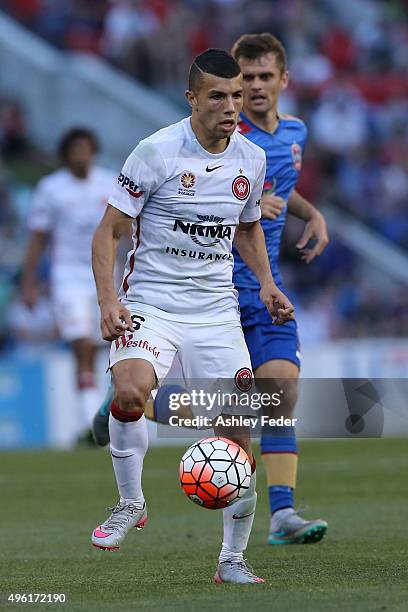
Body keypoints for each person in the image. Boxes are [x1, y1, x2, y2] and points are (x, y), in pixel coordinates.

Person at [90, 48, 294, 584]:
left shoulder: (251, 159)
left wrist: (269, 284)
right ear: (192, 99)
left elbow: (248, 227)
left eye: (235, 96)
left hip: (215, 313)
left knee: (236, 435)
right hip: (153, 304)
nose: (232, 105)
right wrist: (109, 300)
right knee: (131, 393)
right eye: (218, 96)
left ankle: (231, 560)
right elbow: (109, 230)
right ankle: (130, 503)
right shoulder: (155, 152)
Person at [231, 32, 329, 544]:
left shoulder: (295, 132)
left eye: (265, 76)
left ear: (283, 79)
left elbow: (280, 186)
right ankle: (129, 397)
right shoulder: (223, 138)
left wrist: (309, 211)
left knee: (280, 390)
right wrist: (246, 207)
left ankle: (282, 516)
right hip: (213, 294)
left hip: (266, 287)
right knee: (225, 415)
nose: (255, 86)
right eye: (246, 78)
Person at [21, 128, 114, 437]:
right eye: (75, 149)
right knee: (81, 345)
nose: (81, 155)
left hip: (105, 274)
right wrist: (29, 281)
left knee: (106, 346)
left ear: (94, 151)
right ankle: (89, 422)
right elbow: (38, 238)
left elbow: (125, 230)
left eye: (86, 148)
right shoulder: (51, 189)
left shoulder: (110, 181)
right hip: (68, 278)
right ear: (65, 154)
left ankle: (101, 413)